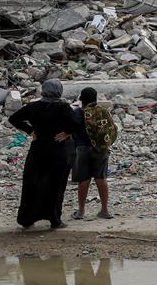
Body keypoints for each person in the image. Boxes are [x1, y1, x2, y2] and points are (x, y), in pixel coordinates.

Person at [9, 79, 81, 230]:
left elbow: (14, 118)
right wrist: (66, 133)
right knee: (56, 185)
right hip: (58, 151)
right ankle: (55, 220)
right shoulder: (63, 107)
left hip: (38, 150)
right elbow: (76, 123)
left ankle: (27, 219)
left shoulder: (33, 106)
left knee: (32, 183)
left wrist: (31, 131)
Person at [71, 87, 118, 220]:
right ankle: (104, 210)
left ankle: (80, 211)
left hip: (82, 150)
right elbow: (112, 129)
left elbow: (70, 130)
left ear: (81, 100)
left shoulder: (77, 113)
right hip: (101, 150)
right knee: (101, 179)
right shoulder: (103, 112)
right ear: (95, 98)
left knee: (84, 180)